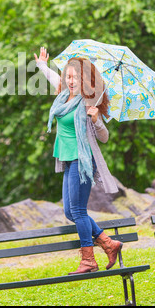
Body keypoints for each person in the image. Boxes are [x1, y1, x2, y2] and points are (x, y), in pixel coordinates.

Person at [34, 47, 122, 275]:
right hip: (67, 158)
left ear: (84, 79)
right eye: (68, 76)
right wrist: (43, 66)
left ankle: (88, 260)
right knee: (70, 212)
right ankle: (108, 243)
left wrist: (96, 120)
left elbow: (104, 137)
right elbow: (56, 77)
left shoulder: (88, 102)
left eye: (75, 77)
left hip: (82, 161)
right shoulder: (64, 94)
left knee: (78, 211)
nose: (70, 80)